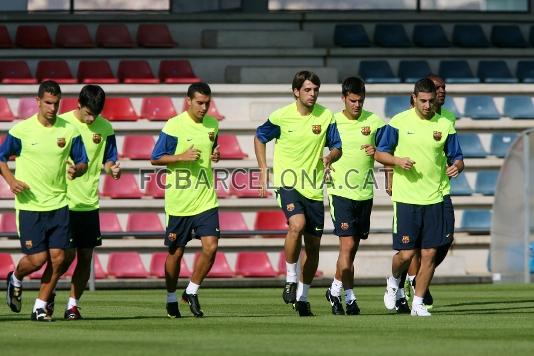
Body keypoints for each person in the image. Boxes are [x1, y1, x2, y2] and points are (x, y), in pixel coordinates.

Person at [254, 70, 342, 316]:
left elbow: (337, 146)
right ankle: (290, 278)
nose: (312, 94)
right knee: (297, 224)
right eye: (307, 90)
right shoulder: (281, 117)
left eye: (315, 90)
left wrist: (330, 156)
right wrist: (263, 168)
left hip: (314, 188)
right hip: (288, 183)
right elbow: (260, 137)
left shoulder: (326, 116)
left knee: (313, 247)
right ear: (296, 91)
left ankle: (303, 297)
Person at [375, 78, 463, 317]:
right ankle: (393, 281)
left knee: (429, 253)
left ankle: (418, 303)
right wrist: (397, 161)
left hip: (435, 197)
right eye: (422, 101)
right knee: (405, 254)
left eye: (431, 101)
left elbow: (457, 157)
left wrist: (457, 166)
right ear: (413, 98)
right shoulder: (398, 122)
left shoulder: (445, 123)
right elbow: (381, 153)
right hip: (406, 198)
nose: (427, 105)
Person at [1, 80, 88, 321]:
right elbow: (1, 157)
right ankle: (16, 277)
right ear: (38, 101)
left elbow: (82, 160)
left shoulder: (69, 130)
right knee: (38, 260)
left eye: (56, 103)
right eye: (48, 103)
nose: (52, 108)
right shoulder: (21, 131)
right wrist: (11, 180)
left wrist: (78, 170)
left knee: (60, 258)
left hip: (59, 203)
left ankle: (40, 305)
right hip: (30, 206)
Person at [151, 82, 221, 318]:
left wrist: (215, 154)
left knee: (211, 247)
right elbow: (155, 158)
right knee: (176, 253)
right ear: (188, 101)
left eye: (207, 103)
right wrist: (182, 157)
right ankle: (171, 298)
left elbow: (212, 146)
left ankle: (191, 291)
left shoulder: (213, 125)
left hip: (206, 198)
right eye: (199, 103)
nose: (203, 108)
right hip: (179, 201)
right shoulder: (174, 125)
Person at [57, 84, 120, 320]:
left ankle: (72, 305)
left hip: (89, 202)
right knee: (65, 255)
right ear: (79, 105)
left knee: (85, 255)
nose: (92, 118)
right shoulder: (62, 124)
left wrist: (112, 168)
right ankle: (48, 291)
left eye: (97, 114)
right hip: (62, 200)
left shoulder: (105, 128)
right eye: (88, 113)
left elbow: (109, 158)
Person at [324, 77, 385, 315]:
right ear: (343, 99)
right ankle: (346, 296)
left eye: (360, 101)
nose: (357, 105)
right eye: (352, 100)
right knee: (347, 246)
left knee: (351, 250)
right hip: (340, 190)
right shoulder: (333, 121)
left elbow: (389, 149)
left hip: (364, 192)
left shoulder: (374, 121)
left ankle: (338, 293)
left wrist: (377, 151)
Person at [403, 74, 457, 308]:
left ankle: (419, 277)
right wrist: (390, 175)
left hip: (441, 189)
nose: (441, 91)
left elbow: (454, 152)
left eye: (443, 87)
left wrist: (457, 165)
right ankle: (415, 283)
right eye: (437, 87)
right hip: (414, 191)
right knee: (418, 244)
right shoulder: (409, 119)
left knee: (444, 241)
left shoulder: (447, 119)